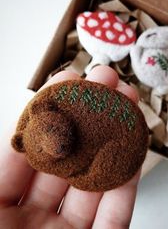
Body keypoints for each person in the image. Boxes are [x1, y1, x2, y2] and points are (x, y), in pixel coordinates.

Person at [0, 65, 141, 229]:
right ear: (22, 145)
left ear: (46, 108)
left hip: (119, 139)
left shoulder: (70, 107)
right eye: (40, 149)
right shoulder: (47, 156)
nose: (55, 146)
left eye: (51, 128)